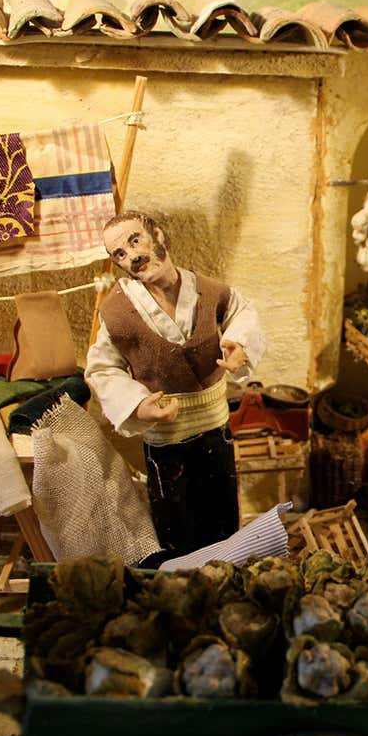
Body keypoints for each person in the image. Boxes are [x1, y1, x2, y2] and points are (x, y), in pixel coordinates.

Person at [85, 211, 267, 562]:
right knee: (175, 523)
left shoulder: (210, 291)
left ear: (158, 234)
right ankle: (182, 586)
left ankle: (225, 579)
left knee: (222, 515)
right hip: (165, 439)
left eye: (135, 240)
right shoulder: (117, 312)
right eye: (119, 254)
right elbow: (102, 368)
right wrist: (138, 405)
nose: (131, 256)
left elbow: (243, 312)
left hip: (214, 428)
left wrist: (238, 343)